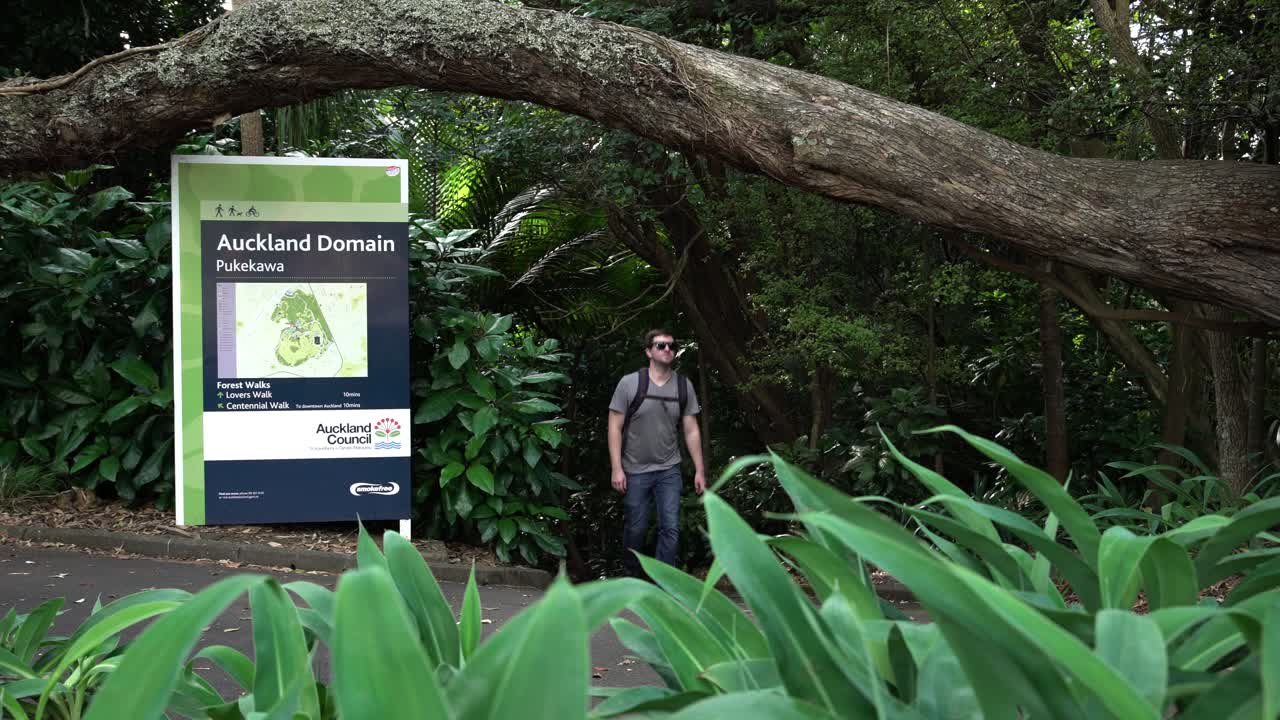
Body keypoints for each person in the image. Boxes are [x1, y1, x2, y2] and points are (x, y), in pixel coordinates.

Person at [607, 329, 706, 577]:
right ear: (648, 351)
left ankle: (665, 582)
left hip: (668, 468)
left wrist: (699, 470)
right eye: (661, 345)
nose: (667, 350)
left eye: (672, 346)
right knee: (636, 529)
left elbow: (691, 430)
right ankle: (633, 578)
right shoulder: (630, 384)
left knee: (670, 527)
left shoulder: (683, 387)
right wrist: (617, 468)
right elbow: (614, 427)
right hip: (634, 469)